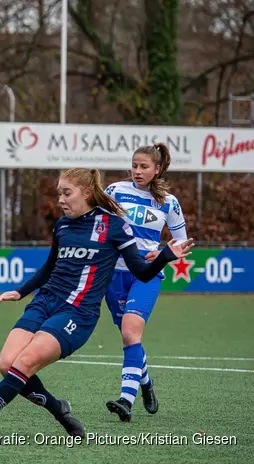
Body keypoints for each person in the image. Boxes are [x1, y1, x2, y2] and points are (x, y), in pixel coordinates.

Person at [0, 168, 193, 442]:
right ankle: (60, 411)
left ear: (87, 193)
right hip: (45, 302)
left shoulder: (114, 226)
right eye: (59, 193)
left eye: (67, 193)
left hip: (77, 312)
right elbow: (49, 267)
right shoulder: (62, 225)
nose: (61, 200)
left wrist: (164, 256)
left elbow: (142, 271)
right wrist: (19, 292)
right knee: (7, 365)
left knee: (23, 364)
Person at [102, 144, 187, 422]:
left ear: (157, 169)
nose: (138, 171)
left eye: (144, 167)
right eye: (135, 165)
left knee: (130, 333)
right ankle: (146, 384)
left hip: (146, 275)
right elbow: (100, 224)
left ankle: (126, 401)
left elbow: (180, 242)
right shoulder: (115, 191)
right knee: (131, 339)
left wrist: (162, 251)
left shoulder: (169, 203)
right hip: (114, 275)